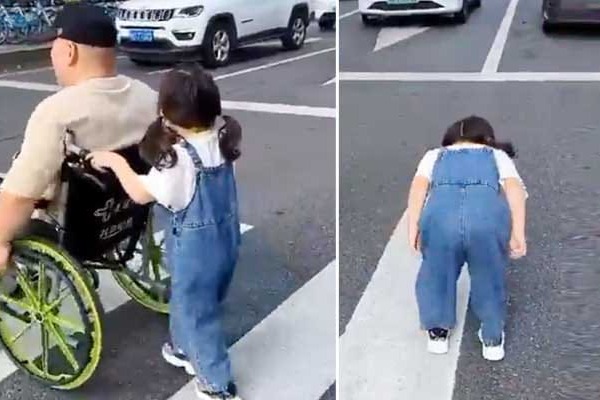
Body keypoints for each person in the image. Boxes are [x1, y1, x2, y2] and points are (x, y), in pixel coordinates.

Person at [87, 64, 243, 400]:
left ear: (166, 115)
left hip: (196, 251)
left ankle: (216, 385)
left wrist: (115, 162)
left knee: (197, 313)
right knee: (194, 301)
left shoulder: (179, 160)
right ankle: (183, 348)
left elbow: (141, 193)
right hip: (227, 240)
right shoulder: (222, 141)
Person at [0, 4, 157, 271]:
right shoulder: (148, 97)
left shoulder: (58, 113)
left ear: (69, 51)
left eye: (53, 47)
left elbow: (21, 195)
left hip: (68, 228)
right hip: (125, 216)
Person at [407, 115, 527, 362]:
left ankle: (438, 333)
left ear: (450, 139)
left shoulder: (434, 155)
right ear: (487, 138)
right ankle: (492, 338)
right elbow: (514, 190)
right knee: (489, 276)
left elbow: (418, 188)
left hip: (440, 220)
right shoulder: (497, 156)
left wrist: (413, 227)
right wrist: (518, 232)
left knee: (437, 274)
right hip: (486, 220)